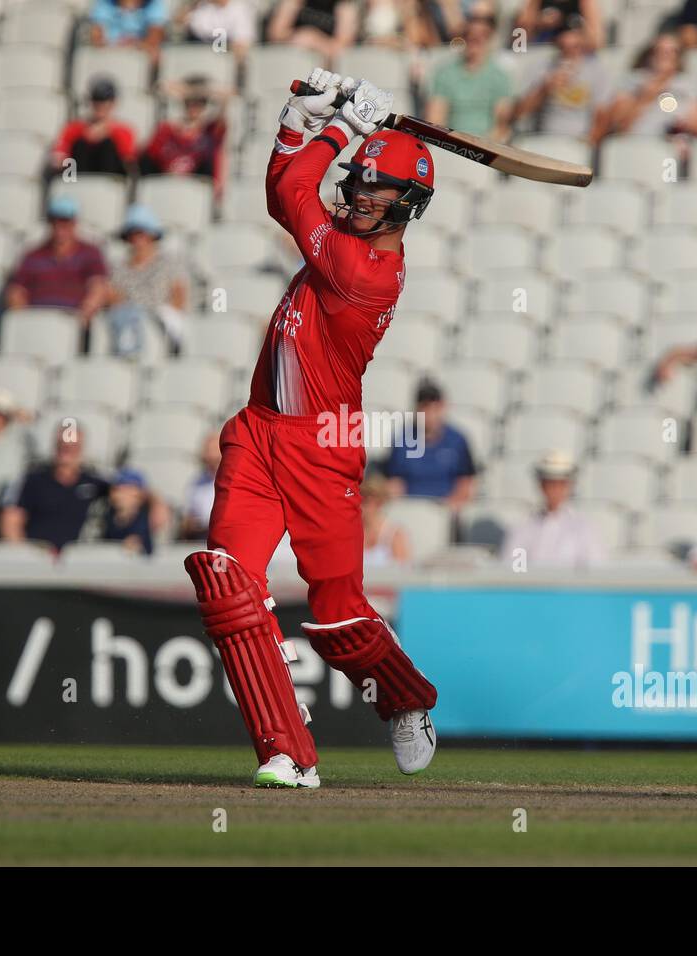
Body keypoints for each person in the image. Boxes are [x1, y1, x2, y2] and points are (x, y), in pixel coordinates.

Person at [183, 69, 440, 790]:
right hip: (258, 432)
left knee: (336, 616)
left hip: (323, 448)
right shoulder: (342, 238)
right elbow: (281, 193)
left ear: (407, 206)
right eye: (355, 181)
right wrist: (301, 114)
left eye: (374, 188)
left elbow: (297, 194)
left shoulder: (363, 272)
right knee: (227, 584)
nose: (357, 193)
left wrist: (337, 128)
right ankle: (284, 751)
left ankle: (408, 698)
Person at [0, 422, 110, 552]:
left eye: (73, 446)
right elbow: (11, 519)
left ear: (81, 448)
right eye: (62, 445)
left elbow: (127, 497)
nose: (67, 450)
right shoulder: (33, 480)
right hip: (37, 556)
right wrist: (23, 554)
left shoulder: (95, 483)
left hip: (78, 559)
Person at [4, 195, 109, 328]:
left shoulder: (90, 253)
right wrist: (25, 319)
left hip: (72, 320)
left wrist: (81, 317)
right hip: (37, 320)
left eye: (65, 221)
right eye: (56, 221)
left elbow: (98, 287)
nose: (60, 227)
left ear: (74, 223)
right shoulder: (33, 255)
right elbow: (16, 291)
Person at [103, 204, 189, 357]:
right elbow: (113, 296)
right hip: (129, 321)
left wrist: (164, 315)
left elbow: (179, 294)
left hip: (161, 321)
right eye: (133, 234)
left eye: (142, 233)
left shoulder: (169, 262)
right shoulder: (119, 268)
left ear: (152, 235)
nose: (138, 239)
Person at [382, 380, 478, 510]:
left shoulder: (457, 441)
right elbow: (395, 483)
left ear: (442, 407)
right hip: (410, 509)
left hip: (446, 511)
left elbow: (466, 483)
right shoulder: (403, 440)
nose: (430, 414)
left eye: (435, 408)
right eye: (425, 407)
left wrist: (447, 510)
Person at [502, 450, 605, 569]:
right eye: (550, 483)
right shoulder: (522, 528)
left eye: (561, 484)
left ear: (569, 485)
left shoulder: (584, 529)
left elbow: (595, 573)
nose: (555, 490)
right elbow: (515, 571)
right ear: (541, 485)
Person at [601, 31, 697, 140]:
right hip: (635, 147)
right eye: (660, 50)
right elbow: (618, 128)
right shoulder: (631, 81)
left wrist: (685, 126)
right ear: (650, 55)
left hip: (676, 148)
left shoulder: (690, 84)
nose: (665, 56)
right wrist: (645, 98)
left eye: (672, 51)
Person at [515, 25, 613, 144]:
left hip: (579, 143)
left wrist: (586, 146)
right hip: (542, 139)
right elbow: (519, 112)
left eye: (576, 46)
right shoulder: (541, 66)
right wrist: (544, 90)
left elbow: (602, 115)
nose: (570, 52)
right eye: (564, 47)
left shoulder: (597, 70)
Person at [425, 10, 515, 139]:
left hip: (487, 146)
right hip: (452, 144)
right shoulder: (445, 73)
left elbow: (501, 125)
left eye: (483, 34)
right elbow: (435, 120)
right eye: (469, 34)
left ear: (490, 38)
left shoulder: (500, 76)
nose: (475, 38)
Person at [141, 76, 229, 198]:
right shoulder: (167, 130)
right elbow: (160, 86)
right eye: (189, 102)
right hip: (167, 187)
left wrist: (194, 90)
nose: (194, 107)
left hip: (196, 193)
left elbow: (226, 97)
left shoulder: (210, 131)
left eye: (200, 102)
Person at [50, 76, 138, 177]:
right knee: (80, 145)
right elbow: (59, 158)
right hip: (76, 180)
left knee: (108, 146)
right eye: (96, 101)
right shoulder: (74, 128)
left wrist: (107, 132)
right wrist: (86, 136)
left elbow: (129, 162)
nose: (100, 106)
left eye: (104, 101)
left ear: (113, 103)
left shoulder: (124, 131)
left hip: (110, 182)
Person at [99, 467, 169, 554]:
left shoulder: (148, 515)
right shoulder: (106, 513)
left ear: (139, 493)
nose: (119, 494)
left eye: (126, 489)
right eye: (117, 489)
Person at [266, 0, 359, 59]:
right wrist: (298, 37)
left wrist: (315, 41)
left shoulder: (344, 6)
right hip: (292, 59)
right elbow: (275, 34)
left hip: (325, 71)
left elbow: (343, 49)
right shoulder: (294, 2)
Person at [89, 0, 168, 64]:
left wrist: (136, 45)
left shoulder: (154, 3)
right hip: (108, 60)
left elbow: (155, 38)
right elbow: (96, 37)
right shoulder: (105, 2)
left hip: (139, 62)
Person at [178, 430, 221, 540]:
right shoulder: (196, 482)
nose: (207, 454)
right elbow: (186, 517)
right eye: (206, 450)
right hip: (200, 536)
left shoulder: (236, 479)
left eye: (211, 449)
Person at [362, 473, 410, 566]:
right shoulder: (349, 532)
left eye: (366, 500)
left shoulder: (394, 534)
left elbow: (403, 574)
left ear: (379, 502)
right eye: (359, 498)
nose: (360, 504)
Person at [182, 0, 257, 56]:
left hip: (229, 60)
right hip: (202, 57)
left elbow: (242, 42)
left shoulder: (240, 8)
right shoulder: (203, 7)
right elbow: (184, 21)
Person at [515, 0, 605, 46]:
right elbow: (518, 40)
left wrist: (576, 39)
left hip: (575, 64)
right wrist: (539, 22)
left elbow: (597, 41)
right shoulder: (536, 2)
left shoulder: (585, 3)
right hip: (540, 60)